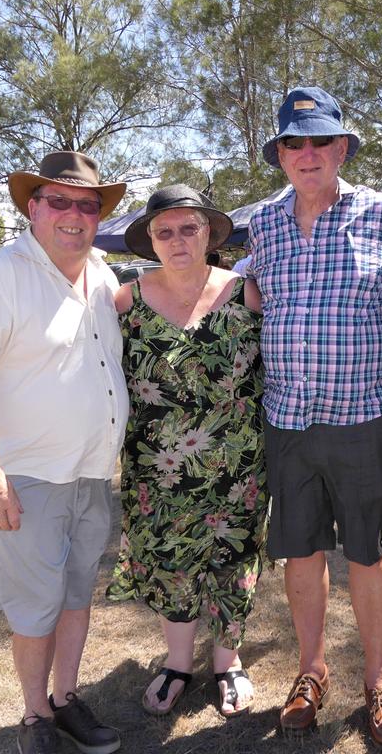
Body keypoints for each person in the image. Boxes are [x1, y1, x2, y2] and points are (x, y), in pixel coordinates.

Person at [0, 151, 128, 754]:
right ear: (33, 207)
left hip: (91, 472)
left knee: (74, 596)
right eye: (59, 201)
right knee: (35, 607)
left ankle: (66, 699)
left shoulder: (102, 273)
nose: (74, 213)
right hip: (23, 476)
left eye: (87, 204)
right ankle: (34, 715)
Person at [244, 86, 382, 749]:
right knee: (300, 552)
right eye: (294, 143)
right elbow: (228, 287)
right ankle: (311, 672)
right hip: (285, 418)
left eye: (320, 142)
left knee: (367, 552)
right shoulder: (259, 225)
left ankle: (380, 679)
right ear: (280, 154)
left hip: (362, 416)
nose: (307, 154)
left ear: (342, 147)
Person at [106, 185, 268, 719]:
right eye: (164, 231)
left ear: (209, 233)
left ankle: (228, 663)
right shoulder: (124, 300)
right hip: (158, 468)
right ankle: (177, 664)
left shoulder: (247, 292)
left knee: (234, 560)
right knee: (172, 563)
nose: (177, 239)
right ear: (150, 239)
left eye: (189, 228)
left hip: (238, 464)